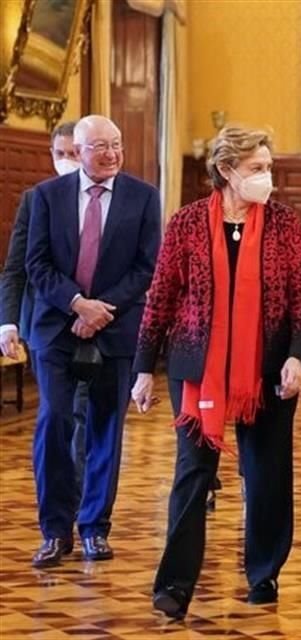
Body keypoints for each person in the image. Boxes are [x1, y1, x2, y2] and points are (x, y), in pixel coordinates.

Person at [131, 125, 301, 619]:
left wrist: (298, 356)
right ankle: (174, 583)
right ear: (225, 171)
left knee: (267, 474)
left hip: (269, 367)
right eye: (257, 168)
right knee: (193, 475)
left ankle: (264, 574)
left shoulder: (283, 223)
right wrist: (143, 369)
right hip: (197, 366)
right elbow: (161, 297)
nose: (267, 177)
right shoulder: (187, 223)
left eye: (268, 167)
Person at [25, 115, 161, 568]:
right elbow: (37, 264)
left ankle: (94, 528)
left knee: (106, 429)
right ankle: (54, 530)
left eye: (117, 144)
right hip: (57, 327)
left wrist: (101, 309)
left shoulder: (143, 197)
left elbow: (146, 268)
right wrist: (77, 304)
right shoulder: (46, 197)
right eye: (100, 146)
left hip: (117, 326)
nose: (112, 154)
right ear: (77, 151)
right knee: (55, 421)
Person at [1, 121, 90, 489]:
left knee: (86, 415)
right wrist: (7, 322)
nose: (67, 160)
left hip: (101, 325)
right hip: (47, 325)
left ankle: (84, 501)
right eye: (60, 154)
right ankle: (57, 504)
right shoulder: (36, 199)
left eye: (73, 153)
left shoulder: (118, 199)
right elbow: (16, 267)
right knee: (56, 415)